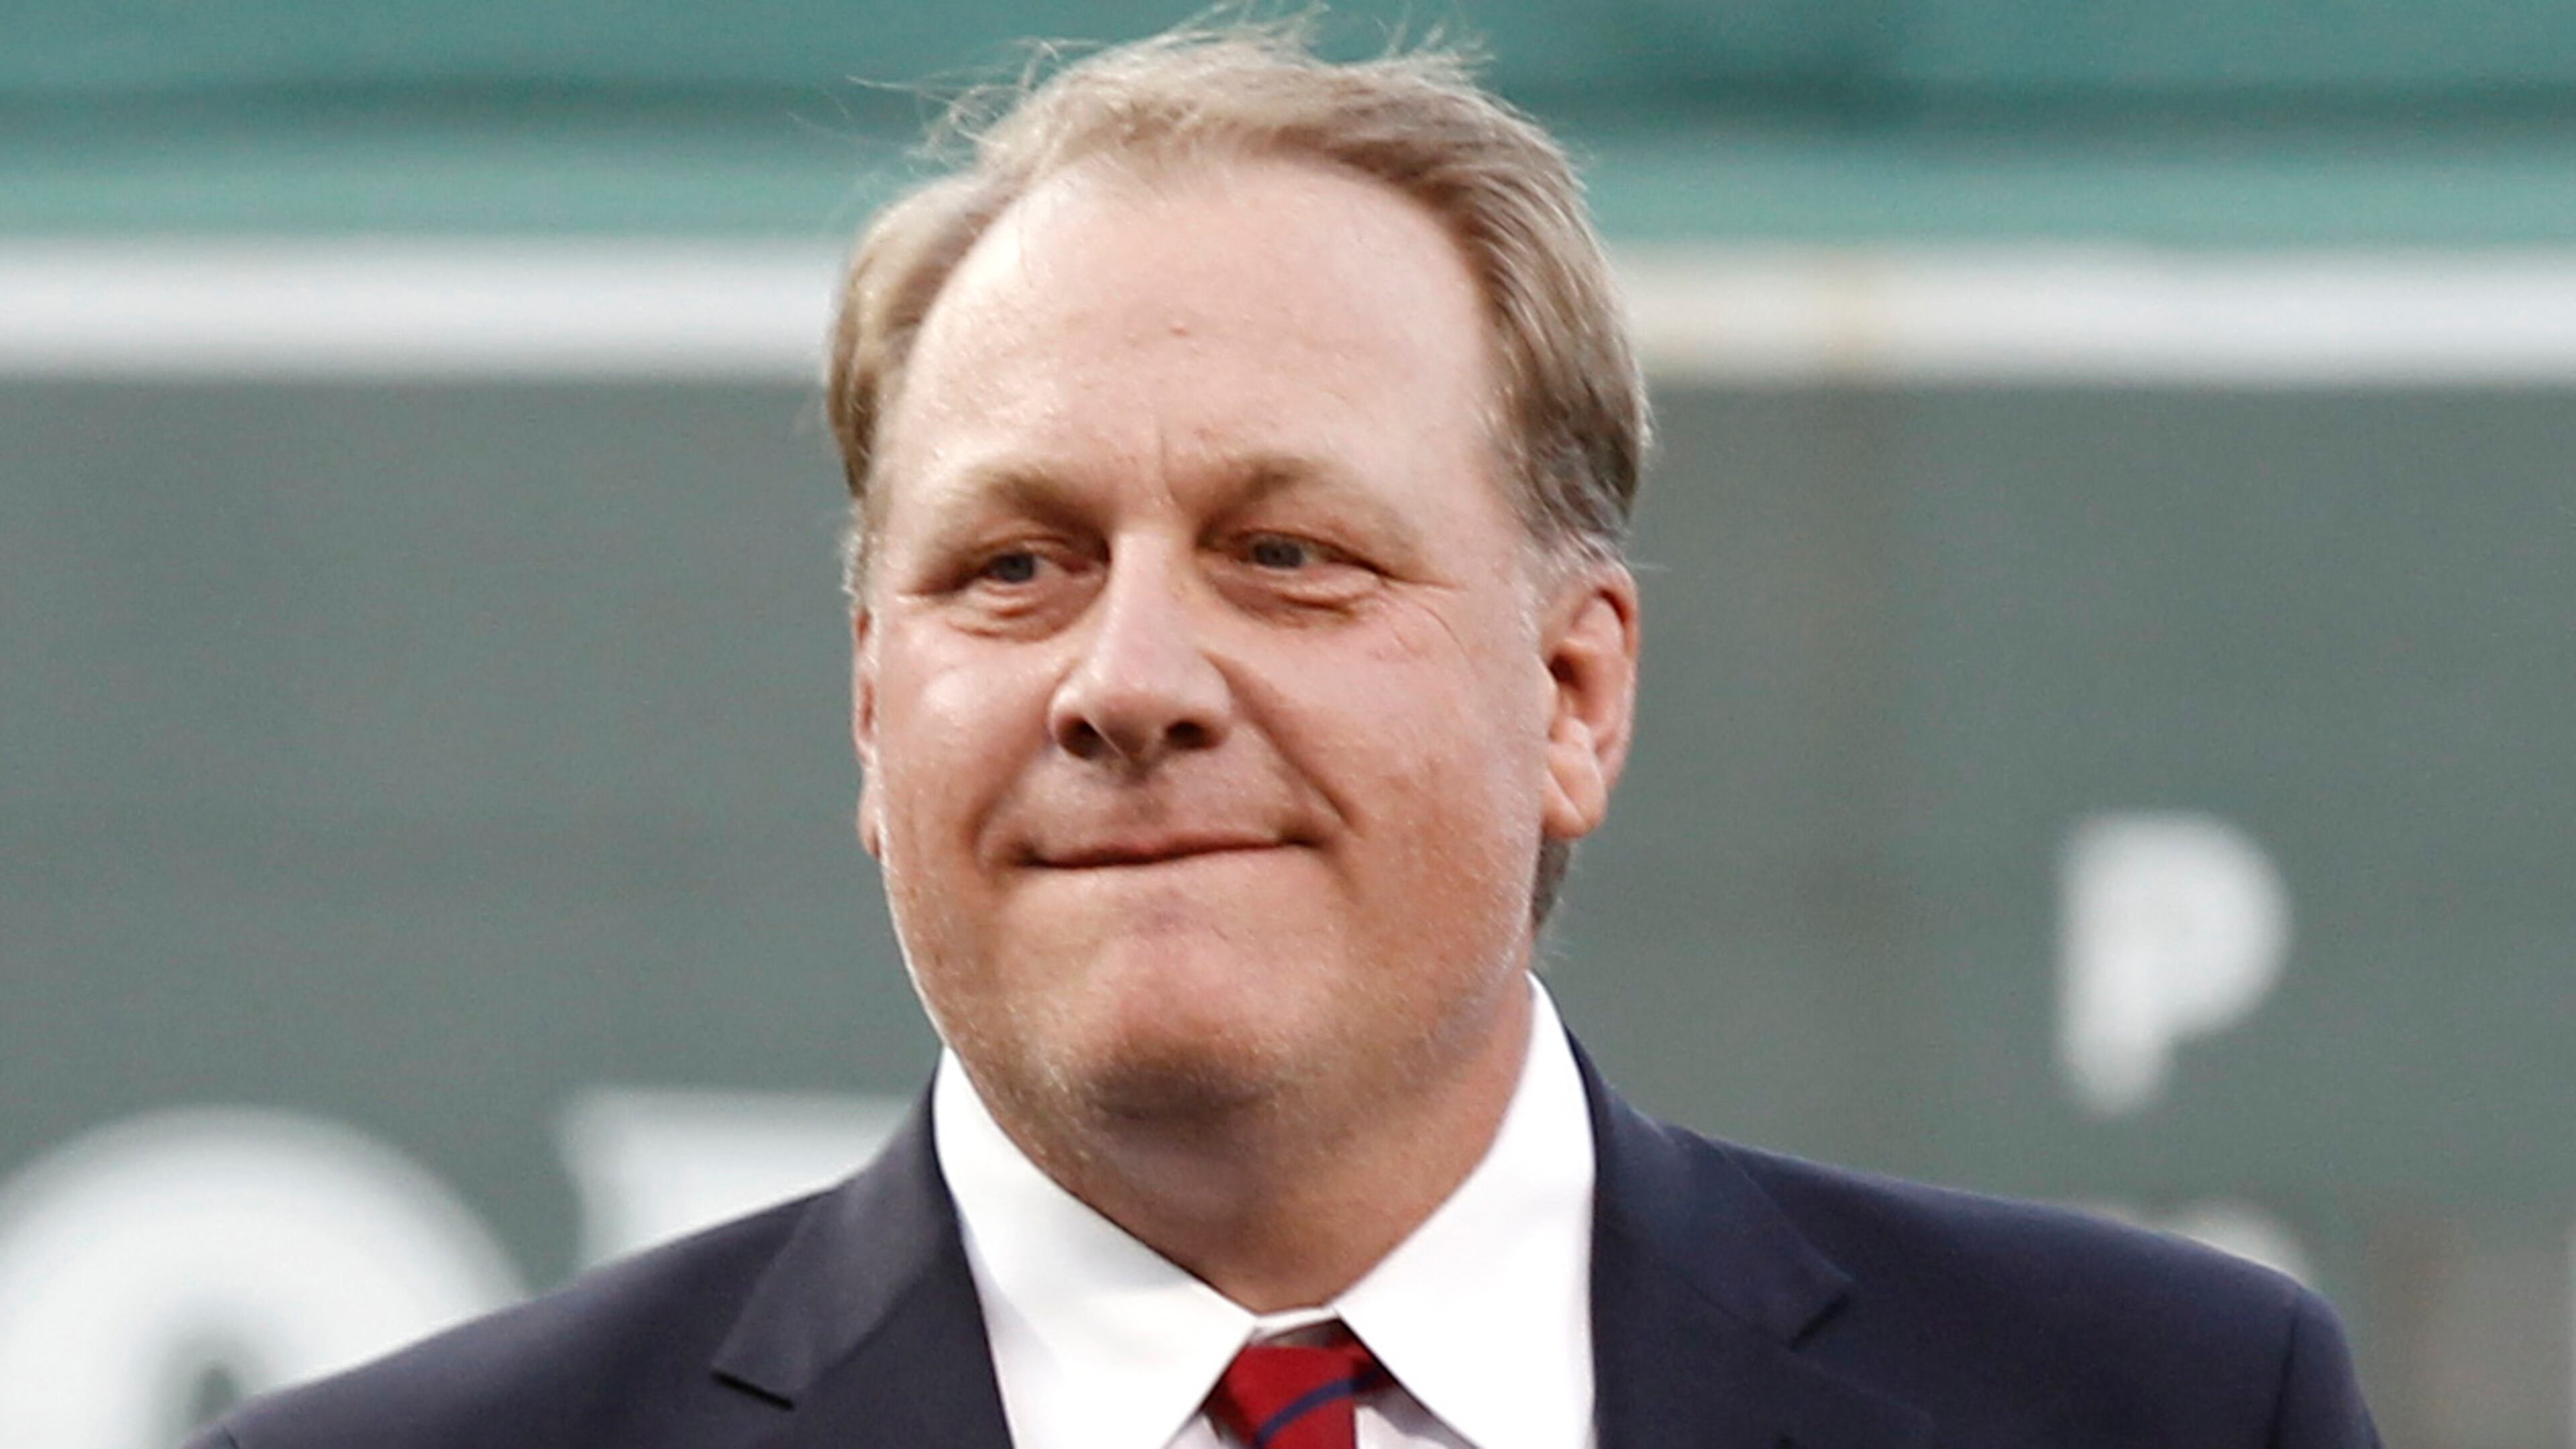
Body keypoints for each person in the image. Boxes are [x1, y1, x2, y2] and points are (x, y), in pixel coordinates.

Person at [189, 21, 2380, 1449]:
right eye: (1016, 565)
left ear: (1576, 690)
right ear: (874, 712)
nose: (1129, 678)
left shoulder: (2155, 1409)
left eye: (1290, 553)